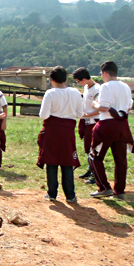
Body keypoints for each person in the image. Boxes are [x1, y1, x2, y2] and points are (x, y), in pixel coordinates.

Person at [88, 61, 134, 200]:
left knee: (95, 156)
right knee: (120, 160)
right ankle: (119, 190)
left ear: (105, 73)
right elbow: (129, 107)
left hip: (107, 125)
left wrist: (94, 103)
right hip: (122, 125)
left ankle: (104, 187)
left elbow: (103, 107)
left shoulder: (105, 86)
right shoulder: (126, 86)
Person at [36, 66, 83, 203]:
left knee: (51, 161)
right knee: (67, 162)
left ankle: (52, 193)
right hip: (67, 131)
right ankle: (70, 195)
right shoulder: (75, 92)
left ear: (52, 80)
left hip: (52, 130)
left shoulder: (50, 93)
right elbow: (80, 114)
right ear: (66, 78)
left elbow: (43, 115)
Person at [72, 67, 101, 184]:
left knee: (93, 148)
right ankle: (90, 169)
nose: (79, 84)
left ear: (84, 79)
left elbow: (100, 108)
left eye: (79, 81)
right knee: (87, 147)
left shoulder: (98, 89)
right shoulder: (86, 87)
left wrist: (88, 114)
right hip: (86, 121)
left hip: (94, 121)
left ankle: (95, 174)